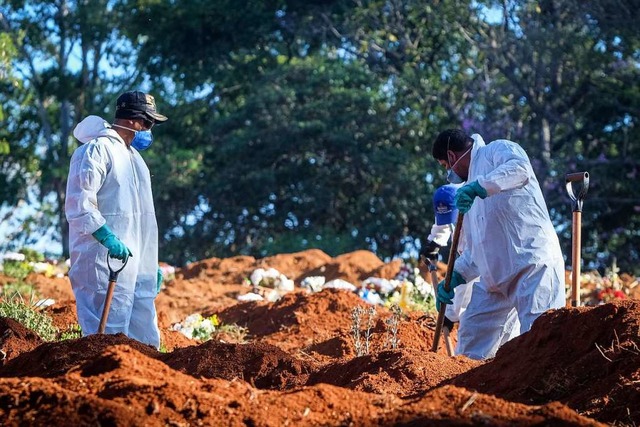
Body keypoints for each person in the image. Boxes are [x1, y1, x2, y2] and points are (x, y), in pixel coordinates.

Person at [431, 129, 565, 360]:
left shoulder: (497, 150)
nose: (449, 173)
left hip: (531, 267)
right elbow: (476, 252)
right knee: (472, 338)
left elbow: (520, 170)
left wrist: (481, 186)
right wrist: (455, 276)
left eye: (445, 166)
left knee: (541, 339)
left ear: (452, 157)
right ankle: (468, 394)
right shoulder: (467, 196)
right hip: (494, 281)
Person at [65, 90, 168, 349]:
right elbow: (80, 203)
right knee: (107, 333)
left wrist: (148, 263)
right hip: (102, 262)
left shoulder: (137, 161)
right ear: (132, 120)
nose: (148, 129)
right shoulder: (95, 151)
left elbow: (141, 219)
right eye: (147, 122)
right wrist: (105, 236)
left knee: (143, 333)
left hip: (135, 264)